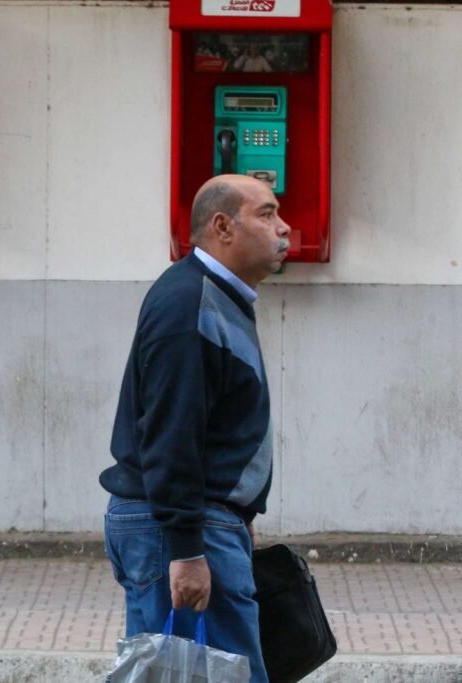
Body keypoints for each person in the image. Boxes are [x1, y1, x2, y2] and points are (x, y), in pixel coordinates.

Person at [100, 174, 291, 683]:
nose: (284, 228)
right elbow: (171, 431)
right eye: (267, 214)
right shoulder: (191, 305)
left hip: (198, 521)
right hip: (180, 529)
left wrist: (240, 513)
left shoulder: (217, 298)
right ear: (223, 226)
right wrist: (187, 547)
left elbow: (212, 426)